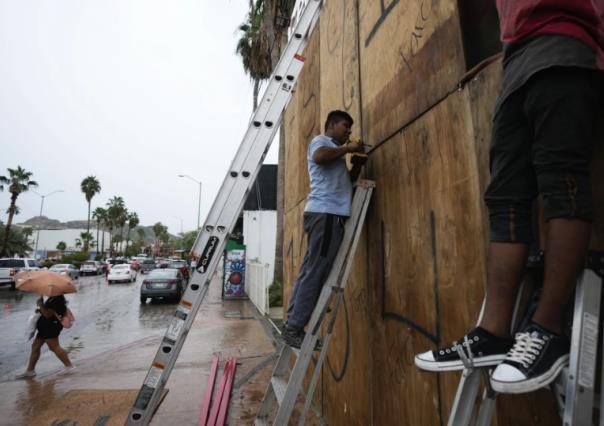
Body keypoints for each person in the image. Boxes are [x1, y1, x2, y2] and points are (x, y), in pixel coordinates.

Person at [415, 1, 604, 394]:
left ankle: (548, 330)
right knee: (505, 200)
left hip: (564, 46)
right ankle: (494, 333)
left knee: (562, 184)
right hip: (514, 64)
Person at [282, 110, 365, 349]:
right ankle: (295, 328)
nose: (349, 131)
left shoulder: (334, 153)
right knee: (316, 272)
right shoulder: (321, 142)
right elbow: (319, 157)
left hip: (325, 214)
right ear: (331, 124)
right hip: (326, 215)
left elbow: (344, 185)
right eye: (345, 126)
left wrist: (356, 167)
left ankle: (291, 323)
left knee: (310, 270)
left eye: (350, 127)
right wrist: (348, 149)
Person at [16, 295, 74, 378]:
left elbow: (47, 314)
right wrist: (40, 309)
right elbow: (47, 311)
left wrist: (40, 304)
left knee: (54, 347)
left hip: (51, 327)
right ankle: (30, 371)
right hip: (44, 327)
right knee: (35, 347)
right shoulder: (52, 298)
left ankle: (69, 366)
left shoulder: (57, 299)